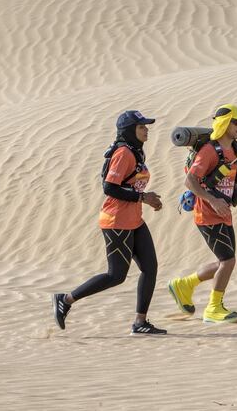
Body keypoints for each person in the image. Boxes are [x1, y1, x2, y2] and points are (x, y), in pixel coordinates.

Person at [52, 110, 167, 335]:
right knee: (116, 275)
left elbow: (130, 185)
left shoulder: (136, 151)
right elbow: (109, 187)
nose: (146, 130)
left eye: (146, 126)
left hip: (134, 220)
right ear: (129, 131)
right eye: (142, 126)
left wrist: (145, 198)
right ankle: (65, 299)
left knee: (150, 268)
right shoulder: (124, 153)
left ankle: (140, 322)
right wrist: (143, 197)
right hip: (116, 222)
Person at [168, 104, 237, 323]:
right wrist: (212, 201)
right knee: (227, 261)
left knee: (225, 262)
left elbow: (225, 182)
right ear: (225, 124)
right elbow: (190, 180)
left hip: (224, 212)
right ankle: (213, 308)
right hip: (207, 214)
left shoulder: (234, 150)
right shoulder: (209, 150)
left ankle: (184, 285)